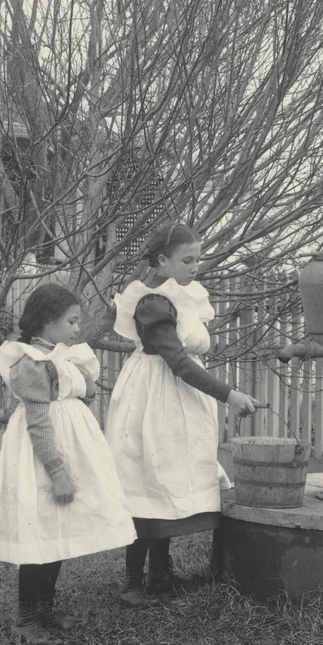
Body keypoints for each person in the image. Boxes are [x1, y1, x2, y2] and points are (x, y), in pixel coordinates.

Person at [105, 222, 260, 607]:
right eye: (187, 260)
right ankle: (131, 581)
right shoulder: (151, 302)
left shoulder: (183, 296)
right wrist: (229, 394)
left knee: (169, 479)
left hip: (180, 397)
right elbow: (176, 361)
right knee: (148, 481)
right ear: (162, 261)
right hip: (155, 396)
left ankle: (160, 574)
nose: (196, 267)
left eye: (198, 259)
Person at [0, 283, 137, 645]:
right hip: (43, 454)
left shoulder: (63, 355)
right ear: (47, 323)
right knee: (41, 531)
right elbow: (38, 422)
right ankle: (25, 618)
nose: (78, 329)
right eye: (72, 321)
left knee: (59, 532)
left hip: (73, 445)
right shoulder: (30, 364)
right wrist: (57, 471)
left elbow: (89, 390)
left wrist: (80, 370)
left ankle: (46, 606)